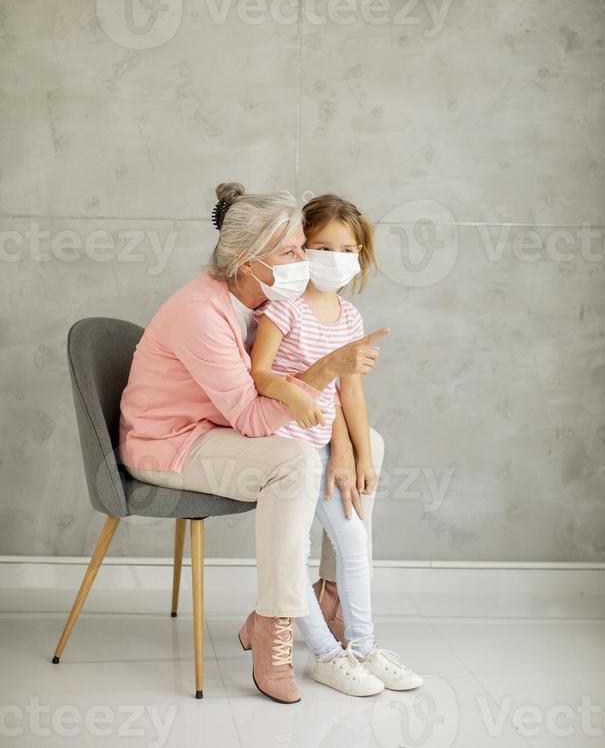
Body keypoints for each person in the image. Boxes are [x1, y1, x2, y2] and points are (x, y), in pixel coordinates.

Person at [118, 182, 389, 704]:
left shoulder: (265, 299)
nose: (302, 260)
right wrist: (328, 370)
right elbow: (253, 415)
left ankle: (331, 596)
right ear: (247, 261)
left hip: (217, 431)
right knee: (292, 461)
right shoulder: (203, 312)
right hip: (170, 444)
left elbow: (303, 395)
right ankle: (274, 623)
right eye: (291, 251)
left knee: (366, 442)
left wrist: (348, 443)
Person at [244, 193, 422, 697]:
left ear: (360, 254)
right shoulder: (283, 309)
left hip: (321, 447)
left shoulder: (348, 317)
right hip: (284, 451)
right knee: (293, 555)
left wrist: (362, 455)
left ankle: (363, 647)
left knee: (355, 541)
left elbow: (351, 394)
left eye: (348, 249)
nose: (336, 258)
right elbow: (259, 375)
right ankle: (326, 654)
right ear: (303, 245)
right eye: (322, 246)